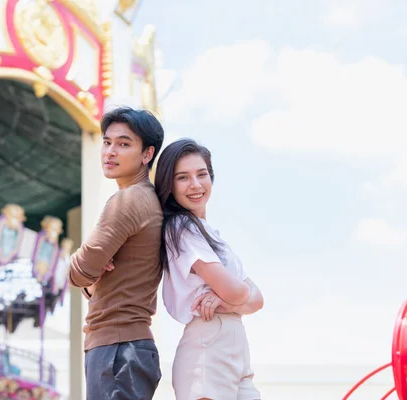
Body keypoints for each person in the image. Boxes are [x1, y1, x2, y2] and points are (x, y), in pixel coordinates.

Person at [154, 138, 264, 400]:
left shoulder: (214, 237)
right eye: (182, 177)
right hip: (208, 344)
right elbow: (239, 293)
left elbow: (257, 300)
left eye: (201, 174)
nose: (195, 184)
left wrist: (222, 299)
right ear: (169, 185)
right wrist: (231, 294)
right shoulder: (181, 227)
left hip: (234, 344)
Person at [68, 107, 165, 400]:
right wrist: (92, 276)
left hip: (118, 349)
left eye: (124, 144)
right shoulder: (148, 199)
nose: (110, 151)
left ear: (147, 154)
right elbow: (88, 276)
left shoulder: (127, 200)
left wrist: (84, 269)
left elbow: (77, 271)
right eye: (107, 142)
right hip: (126, 349)